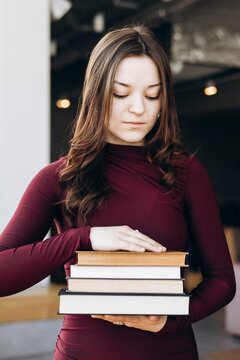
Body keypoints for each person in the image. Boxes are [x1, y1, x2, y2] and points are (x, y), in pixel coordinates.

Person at [0, 25, 236, 360]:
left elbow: (223, 282)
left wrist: (170, 320)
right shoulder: (57, 179)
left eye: (152, 95)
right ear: (96, 92)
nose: (138, 108)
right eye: (121, 93)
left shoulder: (186, 172)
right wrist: (85, 238)